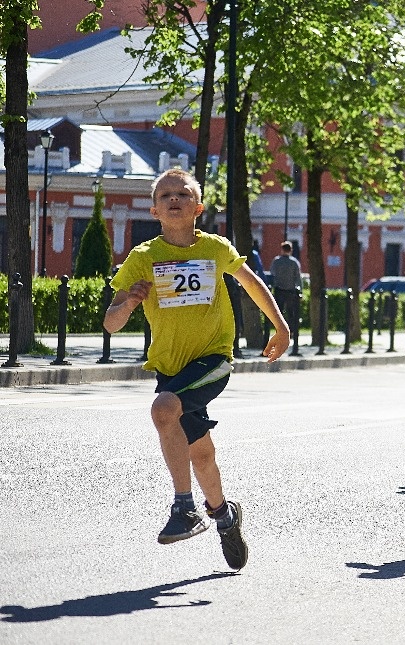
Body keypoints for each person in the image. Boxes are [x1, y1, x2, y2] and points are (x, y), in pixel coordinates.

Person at [103, 169, 290, 571]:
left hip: (213, 359)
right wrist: (129, 304)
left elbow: (252, 282)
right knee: (201, 454)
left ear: (197, 208)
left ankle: (184, 508)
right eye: (166, 195)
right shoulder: (143, 259)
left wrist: (280, 325)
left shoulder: (214, 248)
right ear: (154, 209)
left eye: (183, 194)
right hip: (170, 366)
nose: (174, 199)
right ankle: (224, 516)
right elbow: (111, 322)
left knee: (163, 408)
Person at [269, 241, 303, 354]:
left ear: (282, 249)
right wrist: (300, 291)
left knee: (278, 313)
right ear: (291, 250)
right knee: (291, 314)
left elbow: (272, 275)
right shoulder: (294, 262)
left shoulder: (276, 261)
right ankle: (291, 332)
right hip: (291, 291)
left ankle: (278, 331)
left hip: (279, 290)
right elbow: (298, 278)